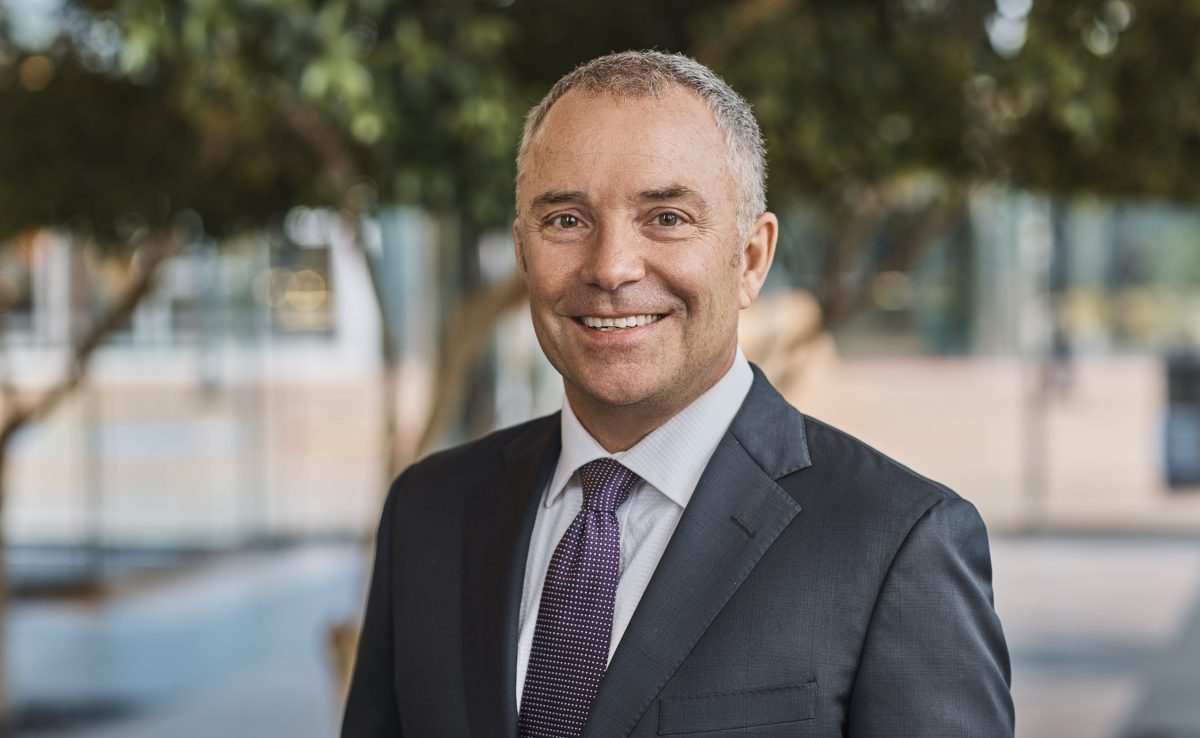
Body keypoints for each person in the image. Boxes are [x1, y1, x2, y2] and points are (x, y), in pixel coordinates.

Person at [342, 50, 1014, 737]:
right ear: (522, 251)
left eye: (666, 217)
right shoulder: (428, 511)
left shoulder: (898, 542)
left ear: (751, 258)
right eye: (567, 220)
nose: (611, 268)